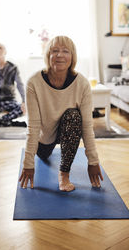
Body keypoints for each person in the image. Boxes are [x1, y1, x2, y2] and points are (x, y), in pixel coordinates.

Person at [19, 36, 103, 192]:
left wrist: (93, 161)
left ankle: (64, 174)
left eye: (65, 51)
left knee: (73, 116)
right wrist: (28, 164)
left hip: (70, 132)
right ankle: (44, 154)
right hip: (44, 140)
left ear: (72, 57)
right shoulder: (34, 82)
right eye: (55, 51)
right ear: (48, 56)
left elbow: (87, 126)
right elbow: (33, 126)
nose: (59, 55)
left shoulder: (82, 84)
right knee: (43, 155)